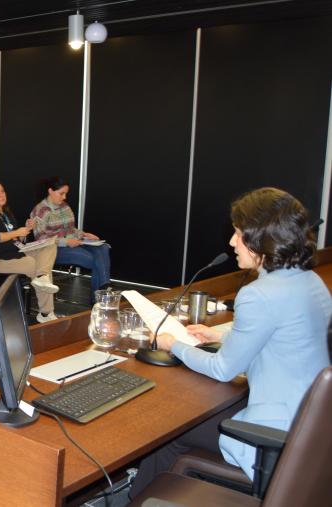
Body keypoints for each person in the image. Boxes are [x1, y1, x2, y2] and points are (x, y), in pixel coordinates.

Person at [132, 187, 332, 497]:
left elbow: (224, 368)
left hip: (273, 434)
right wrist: (220, 334)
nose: (231, 242)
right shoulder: (311, 282)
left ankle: (139, 499)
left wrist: (175, 345)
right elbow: (288, 330)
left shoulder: (257, 294)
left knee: (170, 434)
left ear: (260, 239)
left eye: (238, 234)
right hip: (311, 429)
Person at [0, 181, 60, 323]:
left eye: (2, 191)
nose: (2, 195)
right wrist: (17, 232)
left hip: (15, 251)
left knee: (49, 246)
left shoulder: (6, 212)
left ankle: (41, 277)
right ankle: (46, 313)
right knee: (33, 264)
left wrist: (25, 230)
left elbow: (16, 238)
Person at [32, 178, 111, 303]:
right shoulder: (40, 210)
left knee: (103, 247)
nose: (64, 197)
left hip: (75, 243)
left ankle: (103, 292)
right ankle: (101, 296)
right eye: (61, 193)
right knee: (96, 261)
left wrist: (85, 234)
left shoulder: (65, 206)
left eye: (66, 193)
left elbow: (71, 229)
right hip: (54, 249)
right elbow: (41, 239)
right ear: (50, 191)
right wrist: (65, 242)